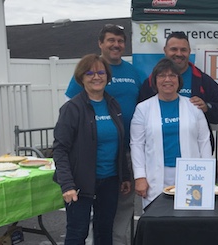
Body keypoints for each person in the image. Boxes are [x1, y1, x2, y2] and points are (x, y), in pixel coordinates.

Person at [64, 24, 142, 244]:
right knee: (78, 226)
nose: (116, 45)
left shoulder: (132, 74)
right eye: (110, 40)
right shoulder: (86, 74)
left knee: (111, 220)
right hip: (86, 162)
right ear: (101, 43)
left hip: (120, 157)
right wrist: (68, 180)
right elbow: (66, 129)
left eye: (120, 41)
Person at [53, 54, 131, 245]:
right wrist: (67, 185)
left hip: (110, 180)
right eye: (90, 73)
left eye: (101, 72)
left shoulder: (113, 104)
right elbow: (60, 149)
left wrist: (125, 175)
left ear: (107, 76)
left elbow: (120, 143)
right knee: (77, 233)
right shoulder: (72, 108)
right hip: (81, 183)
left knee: (105, 232)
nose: (96, 77)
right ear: (81, 78)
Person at [131, 58, 213, 208]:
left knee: (189, 220)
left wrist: (206, 175)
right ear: (155, 81)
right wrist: (140, 177)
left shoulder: (193, 107)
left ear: (179, 80)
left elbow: (204, 141)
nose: (167, 79)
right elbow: (137, 144)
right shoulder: (143, 109)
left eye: (172, 75)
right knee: (158, 222)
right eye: (162, 76)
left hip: (191, 175)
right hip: (155, 177)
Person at [137, 31, 218, 151]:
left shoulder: (201, 79)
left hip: (194, 152)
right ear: (165, 50)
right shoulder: (150, 83)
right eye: (174, 49)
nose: (179, 54)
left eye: (183, 50)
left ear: (189, 51)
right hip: (159, 153)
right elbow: (141, 119)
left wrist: (207, 107)